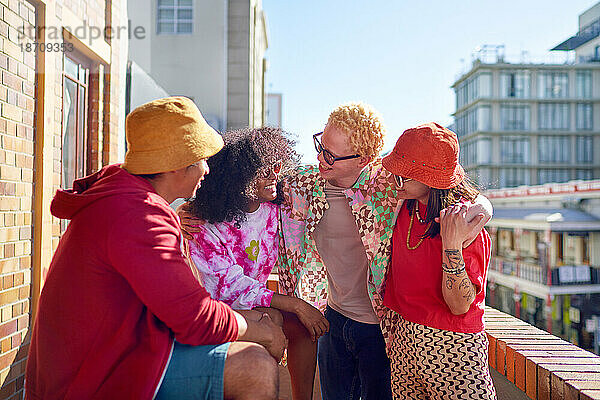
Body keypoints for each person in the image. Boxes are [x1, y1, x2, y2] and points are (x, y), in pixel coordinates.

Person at [25, 97, 286, 400]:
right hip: (93, 378)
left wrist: (258, 323)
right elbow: (195, 320)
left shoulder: (127, 199)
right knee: (254, 368)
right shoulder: (138, 215)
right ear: (177, 165)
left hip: (120, 349)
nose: (207, 170)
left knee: (261, 321)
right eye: (202, 159)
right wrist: (263, 333)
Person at [277, 103, 492, 400]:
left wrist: (481, 211)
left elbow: (452, 188)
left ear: (364, 159)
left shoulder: (391, 186)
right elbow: (255, 186)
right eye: (321, 146)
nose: (320, 159)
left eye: (331, 155)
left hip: (383, 329)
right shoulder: (305, 184)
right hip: (334, 320)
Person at [179, 127, 329, 400]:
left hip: (256, 303)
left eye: (277, 165)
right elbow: (231, 287)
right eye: (264, 170)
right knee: (273, 321)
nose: (275, 174)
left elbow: (321, 179)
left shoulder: (275, 206)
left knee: (303, 327)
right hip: (219, 312)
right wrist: (296, 303)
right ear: (238, 177)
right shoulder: (203, 223)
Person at [381, 122, 497, 399]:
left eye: (403, 177)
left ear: (431, 180)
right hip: (405, 344)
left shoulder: (464, 222)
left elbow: (459, 306)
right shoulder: (405, 205)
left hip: (454, 351)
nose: (393, 180)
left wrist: (452, 244)